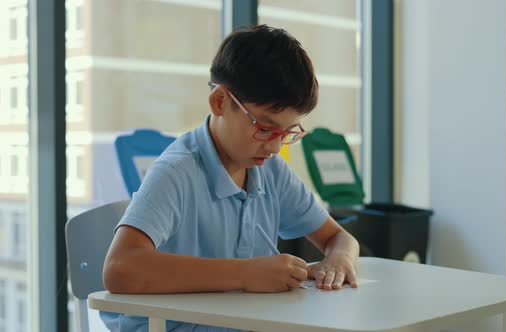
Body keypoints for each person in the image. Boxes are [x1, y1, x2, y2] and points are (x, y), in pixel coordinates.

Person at [101, 24, 360, 332]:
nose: (276, 146)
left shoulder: (269, 169)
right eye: (265, 128)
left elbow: (339, 237)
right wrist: (247, 274)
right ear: (220, 102)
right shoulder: (177, 171)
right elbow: (120, 269)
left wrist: (339, 260)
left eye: (287, 133)